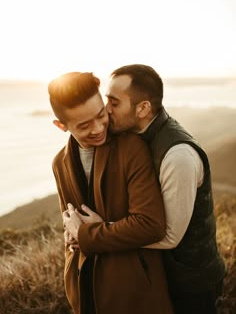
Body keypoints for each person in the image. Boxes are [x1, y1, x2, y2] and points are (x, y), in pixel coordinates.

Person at [81, 64, 226, 314]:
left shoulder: (178, 156)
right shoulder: (135, 134)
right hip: (161, 277)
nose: (106, 110)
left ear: (143, 108)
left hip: (191, 286)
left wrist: (99, 231)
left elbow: (169, 236)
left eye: (114, 103)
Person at [48, 72, 174, 314]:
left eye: (100, 115)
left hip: (134, 292)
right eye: (84, 125)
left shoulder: (131, 148)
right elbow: (71, 226)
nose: (98, 128)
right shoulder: (59, 163)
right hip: (85, 292)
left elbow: (150, 225)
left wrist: (88, 234)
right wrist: (72, 239)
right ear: (61, 126)